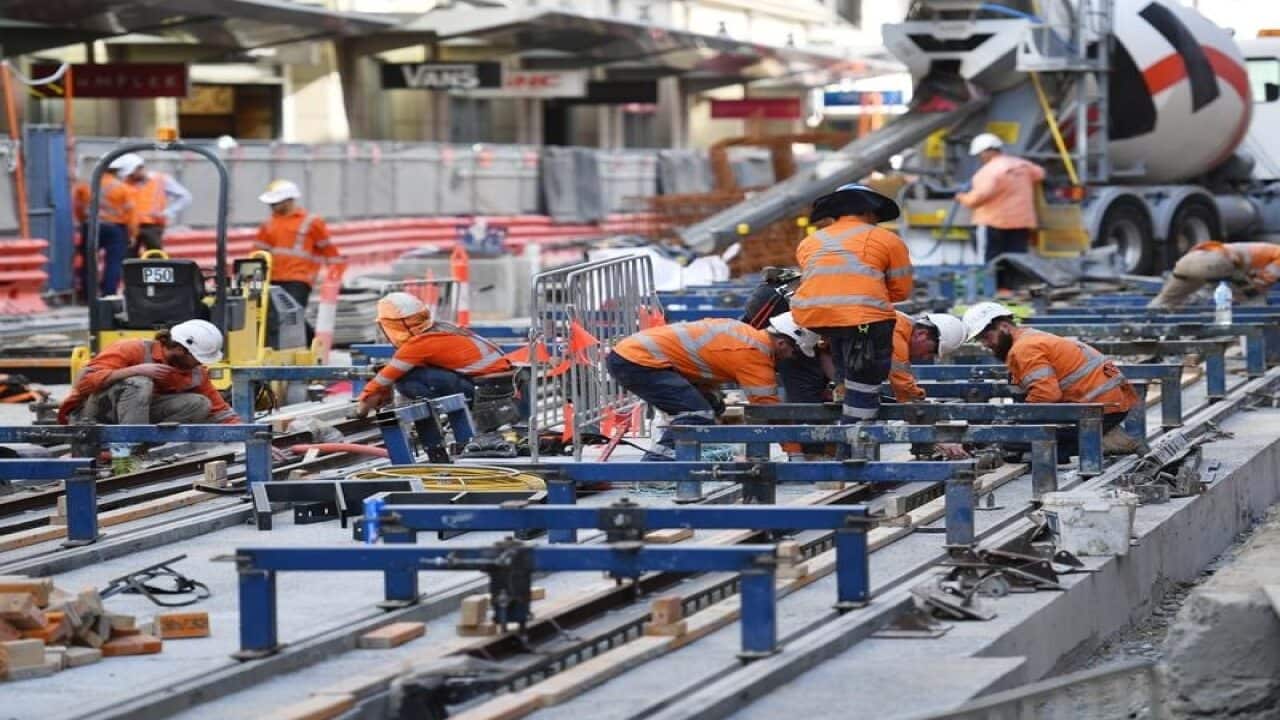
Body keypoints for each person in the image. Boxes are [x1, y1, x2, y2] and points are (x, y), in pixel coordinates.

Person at [607, 316, 814, 460]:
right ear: (781, 343)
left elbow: (702, 358)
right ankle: (657, 467)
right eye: (794, 352)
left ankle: (685, 455)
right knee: (697, 413)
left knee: (712, 406)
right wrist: (795, 453)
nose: (791, 359)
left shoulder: (745, 333)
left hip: (634, 356)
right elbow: (771, 412)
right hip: (638, 362)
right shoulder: (753, 355)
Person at [791, 183, 912, 425]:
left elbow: (821, 286)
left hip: (813, 318)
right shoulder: (887, 239)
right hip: (863, 320)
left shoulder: (810, 242)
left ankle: (843, 386)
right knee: (865, 381)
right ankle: (854, 440)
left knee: (843, 338)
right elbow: (900, 290)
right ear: (867, 211)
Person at [961, 301, 1144, 461]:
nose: (985, 344)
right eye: (980, 340)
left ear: (1004, 327)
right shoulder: (1029, 337)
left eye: (986, 337)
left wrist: (1016, 421)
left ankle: (1106, 441)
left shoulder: (1024, 348)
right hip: (1106, 405)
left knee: (1013, 440)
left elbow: (1047, 395)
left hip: (1098, 410)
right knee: (1020, 438)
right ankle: (1102, 437)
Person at [355, 292, 517, 426]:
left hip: (485, 390)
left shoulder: (419, 343)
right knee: (410, 372)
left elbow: (385, 378)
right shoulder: (440, 328)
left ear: (394, 326)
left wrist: (361, 408)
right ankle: (453, 416)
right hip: (501, 384)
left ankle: (453, 418)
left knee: (406, 379)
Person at [58, 319, 239, 427]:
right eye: (197, 358)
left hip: (135, 417)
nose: (199, 364)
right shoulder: (131, 349)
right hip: (93, 416)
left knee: (200, 403)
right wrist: (134, 370)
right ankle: (129, 449)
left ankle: (146, 446)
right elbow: (83, 383)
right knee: (140, 382)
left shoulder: (194, 371)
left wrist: (253, 437)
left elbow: (221, 412)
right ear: (178, 348)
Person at [254, 179, 343, 333]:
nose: (271, 207)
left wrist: (336, 276)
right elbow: (257, 254)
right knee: (271, 316)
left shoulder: (312, 222)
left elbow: (329, 250)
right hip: (273, 278)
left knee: (292, 316)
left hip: (299, 279)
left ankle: (312, 344)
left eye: (275, 203)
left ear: (289, 200)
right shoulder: (268, 224)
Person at [955, 133, 1045, 262]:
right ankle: (1011, 282)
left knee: (988, 263)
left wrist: (961, 197)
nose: (981, 158)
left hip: (992, 224)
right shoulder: (1023, 166)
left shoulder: (989, 171)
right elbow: (1040, 174)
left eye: (980, 154)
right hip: (1020, 224)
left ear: (987, 152)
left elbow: (977, 199)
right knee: (1016, 263)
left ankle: (993, 283)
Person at [1149, 240, 1280, 309]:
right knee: (1254, 298)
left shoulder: (1266, 250)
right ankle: (1255, 335)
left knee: (1167, 300)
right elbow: (1264, 280)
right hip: (1216, 262)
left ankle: (1142, 324)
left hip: (1187, 261)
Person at [116, 152, 192, 253]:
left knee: (155, 256)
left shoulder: (161, 179)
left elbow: (185, 196)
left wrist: (167, 212)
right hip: (130, 226)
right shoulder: (125, 182)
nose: (129, 177)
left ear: (139, 168)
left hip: (153, 226)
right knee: (128, 258)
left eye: (131, 174)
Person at [889, 311, 966, 403]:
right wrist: (918, 396)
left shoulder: (900, 323)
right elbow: (904, 386)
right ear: (921, 334)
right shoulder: (897, 330)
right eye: (930, 352)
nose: (925, 358)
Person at [90, 158, 140, 297]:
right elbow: (131, 214)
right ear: (118, 170)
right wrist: (133, 234)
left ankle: (87, 293)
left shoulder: (88, 185)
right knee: (113, 262)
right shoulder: (123, 188)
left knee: (89, 259)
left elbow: (79, 207)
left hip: (92, 226)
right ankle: (108, 293)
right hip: (115, 228)